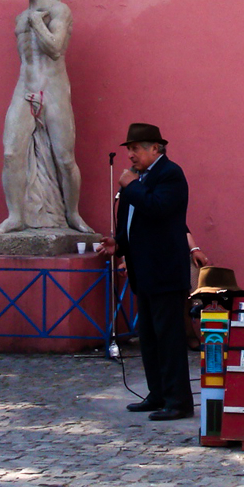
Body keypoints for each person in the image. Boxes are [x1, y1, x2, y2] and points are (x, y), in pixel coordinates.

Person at [0, 0, 92, 235]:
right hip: (24, 88)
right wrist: (31, 20)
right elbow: (27, 59)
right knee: (11, 153)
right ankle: (15, 217)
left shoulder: (60, 11)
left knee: (65, 159)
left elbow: (56, 49)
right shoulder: (21, 17)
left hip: (54, 90)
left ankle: (72, 214)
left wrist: (37, 23)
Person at [100, 123, 194, 421]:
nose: (130, 155)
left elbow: (157, 208)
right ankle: (157, 394)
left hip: (165, 270)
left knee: (169, 338)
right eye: (129, 149)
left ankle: (178, 401)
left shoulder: (170, 174)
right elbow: (131, 219)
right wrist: (119, 245)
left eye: (136, 148)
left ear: (156, 148)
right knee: (149, 338)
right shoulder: (137, 180)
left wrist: (132, 186)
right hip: (144, 271)